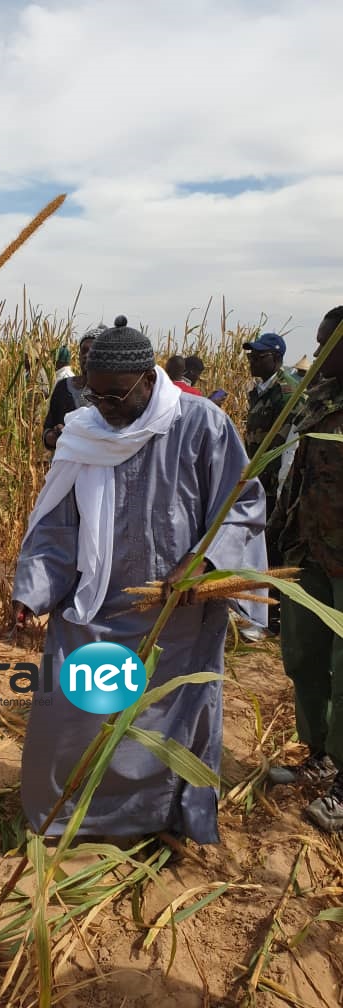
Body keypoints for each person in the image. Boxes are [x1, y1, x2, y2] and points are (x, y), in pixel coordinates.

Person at [13, 315, 266, 845]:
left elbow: (241, 504)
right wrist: (33, 590)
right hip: (94, 608)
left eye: (114, 395)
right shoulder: (84, 433)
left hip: (178, 617)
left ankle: (160, 821)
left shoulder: (202, 424)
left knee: (165, 724)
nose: (102, 405)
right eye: (94, 393)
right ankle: (70, 818)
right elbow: (58, 522)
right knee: (72, 715)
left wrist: (204, 560)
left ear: (149, 380)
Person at [267, 306, 343, 831]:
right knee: (303, 655)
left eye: (324, 345)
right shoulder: (316, 400)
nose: (314, 356)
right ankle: (320, 753)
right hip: (308, 552)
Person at [242, 332, 300, 636]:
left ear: (276, 358)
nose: (251, 360)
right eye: (251, 355)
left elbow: (291, 444)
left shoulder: (287, 392)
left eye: (259, 356)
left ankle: (273, 617)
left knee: (274, 549)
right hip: (258, 484)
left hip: (275, 486)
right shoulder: (262, 391)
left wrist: (281, 489)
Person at [43, 327, 105, 451]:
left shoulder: (113, 393)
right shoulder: (63, 387)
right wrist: (55, 435)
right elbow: (47, 433)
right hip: (65, 465)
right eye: (84, 351)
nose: (87, 355)